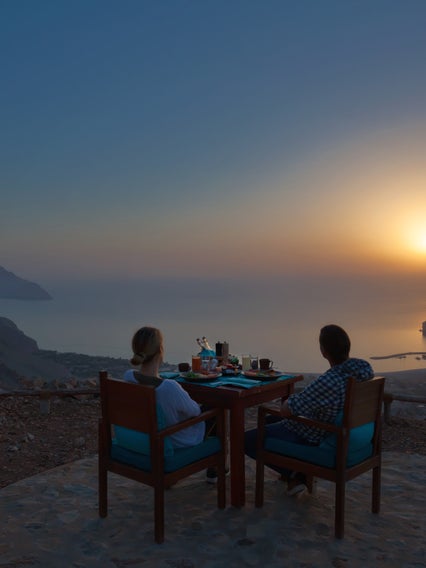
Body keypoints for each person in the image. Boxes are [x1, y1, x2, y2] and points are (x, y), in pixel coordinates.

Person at [244, 324, 374, 495]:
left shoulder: (330, 381)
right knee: (269, 422)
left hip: (317, 433)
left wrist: (291, 402)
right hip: (344, 432)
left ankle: (295, 474)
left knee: (246, 439)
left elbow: (287, 410)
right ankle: (293, 476)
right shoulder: (364, 372)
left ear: (323, 351)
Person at [123, 326, 205, 449]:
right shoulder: (168, 388)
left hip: (140, 440)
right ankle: (217, 466)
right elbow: (195, 411)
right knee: (214, 410)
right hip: (173, 442)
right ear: (160, 350)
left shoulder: (128, 377)